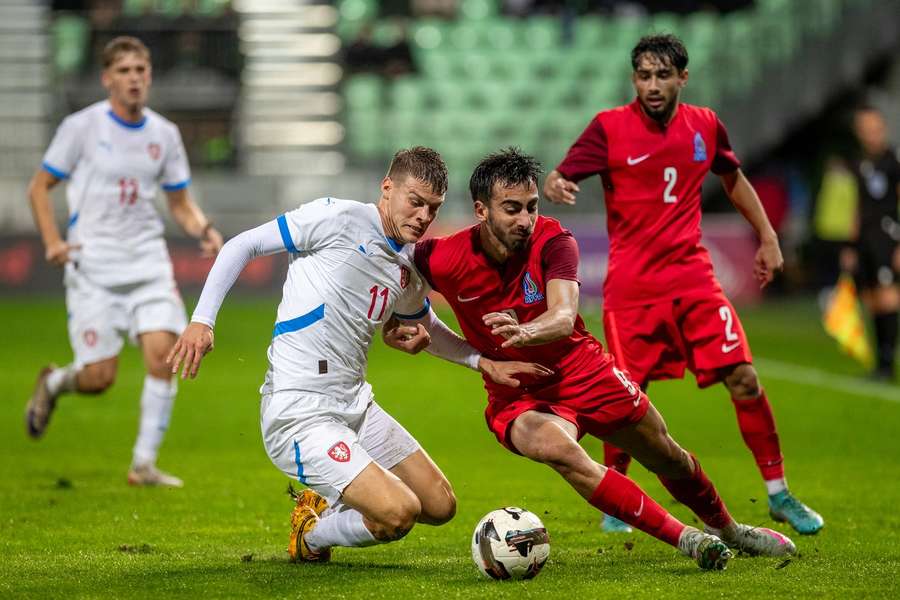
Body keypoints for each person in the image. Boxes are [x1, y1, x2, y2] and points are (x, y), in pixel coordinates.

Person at [384, 148, 797, 570]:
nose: (525, 220)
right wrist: (400, 328)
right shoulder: (441, 258)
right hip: (517, 391)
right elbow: (397, 286)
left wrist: (524, 331)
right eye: (511, 209)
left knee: (665, 454)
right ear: (481, 210)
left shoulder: (554, 241)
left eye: (531, 207)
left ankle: (728, 529)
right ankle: (686, 538)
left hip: (582, 369)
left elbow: (563, 316)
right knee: (556, 449)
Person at [166, 147, 547, 562]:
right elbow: (244, 245)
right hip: (301, 411)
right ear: (387, 188)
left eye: (433, 209)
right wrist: (203, 320)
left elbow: (426, 327)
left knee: (440, 506)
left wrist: (483, 361)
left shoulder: (405, 263)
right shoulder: (337, 217)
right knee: (399, 514)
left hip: (356, 405)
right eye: (414, 202)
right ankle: (311, 536)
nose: (422, 217)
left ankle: (333, 500)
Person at [542, 34, 823, 534]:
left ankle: (779, 493)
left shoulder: (706, 125)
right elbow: (561, 176)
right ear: (634, 79)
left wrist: (767, 235)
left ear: (682, 78)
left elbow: (733, 179)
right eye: (644, 76)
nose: (653, 85)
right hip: (632, 289)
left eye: (663, 75)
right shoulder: (609, 127)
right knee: (624, 399)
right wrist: (557, 183)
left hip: (694, 280)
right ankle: (618, 503)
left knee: (745, 378)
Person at [25, 36, 224, 487]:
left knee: (162, 357)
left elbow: (179, 204)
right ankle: (54, 383)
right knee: (99, 378)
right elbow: (39, 188)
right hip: (93, 268)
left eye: (141, 70)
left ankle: (143, 464)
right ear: (107, 78)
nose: (134, 78)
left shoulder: (164, 135)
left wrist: (203, 229)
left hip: (148, 265)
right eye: (125, 70)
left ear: (149, 76)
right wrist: (53, 241)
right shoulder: (81, 127)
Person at [841, 105, 899, 382]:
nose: (870, 134)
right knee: (873, 298)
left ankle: (887, 363)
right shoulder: (859, 162)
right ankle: (881, 363)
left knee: (888, 295)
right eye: (865, 129)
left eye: (874, 128)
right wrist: (850, 246)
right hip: (865, 239)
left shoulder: (893, 160)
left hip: (888, 235)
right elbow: (857, 205)